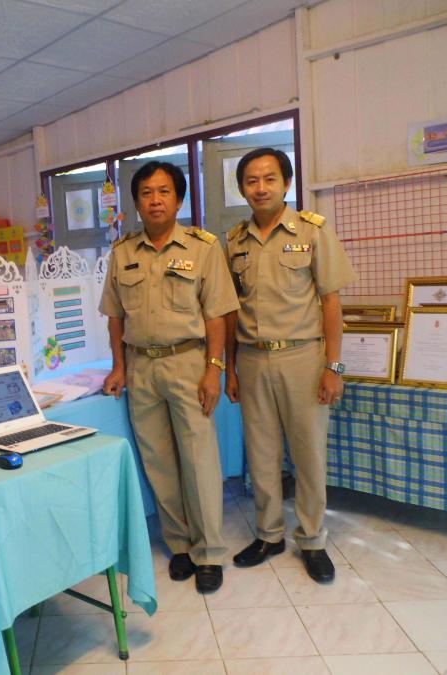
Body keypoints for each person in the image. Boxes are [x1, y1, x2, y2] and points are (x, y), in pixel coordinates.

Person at [101, 161, 239, 594]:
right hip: (141, 368)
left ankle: (209, 552)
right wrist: (119, 366)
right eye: (146, 193)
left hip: (188, 364)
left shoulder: (203, 248)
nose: (155, 200)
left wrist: (214, 369)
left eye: (164, 192)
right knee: (159, 462)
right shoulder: (123, 253)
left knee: (199, 461)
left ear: (178, 200)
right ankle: (179, 544)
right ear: (136, 202)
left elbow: (217, 314)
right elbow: (115, 317)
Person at [224, 148, 356, 583]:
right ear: (242, 188)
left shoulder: (313, 231)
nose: (260, 188)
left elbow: (331, 302)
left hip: (302, 357)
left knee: (308, 453)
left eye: (269, 179)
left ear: (286, 183)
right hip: (252, 359)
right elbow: (230, 310)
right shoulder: (235, 240)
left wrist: (333, 367)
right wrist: (229, 369)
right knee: (261, 453)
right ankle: (269, 534)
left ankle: (313, 539)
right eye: (251, 181)